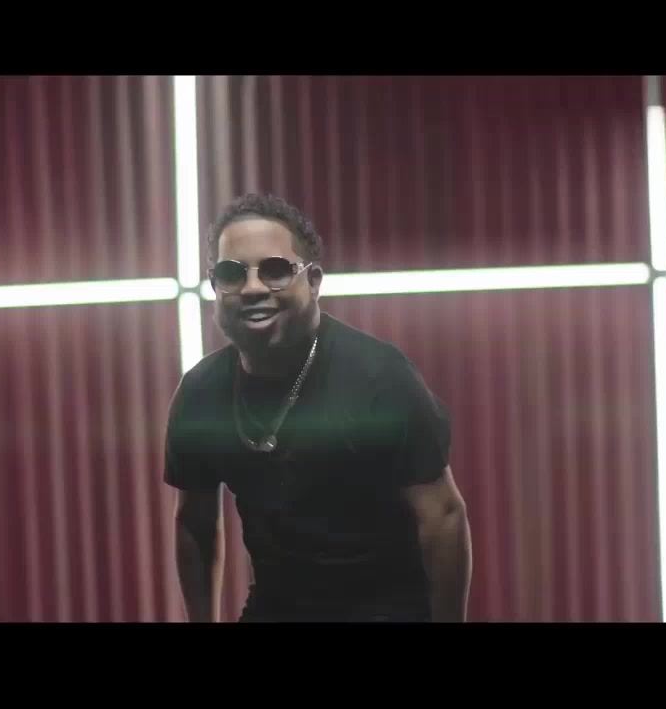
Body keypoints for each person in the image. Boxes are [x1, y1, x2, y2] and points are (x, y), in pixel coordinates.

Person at [164, 193, 472, 622]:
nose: (252, 288)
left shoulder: (379, 377)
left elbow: (443, 517)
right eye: (233, 273)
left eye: (275, 270)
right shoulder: (201, 393)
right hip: (276, 607)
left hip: (385, 609)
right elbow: (194, 524)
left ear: (313, 281)